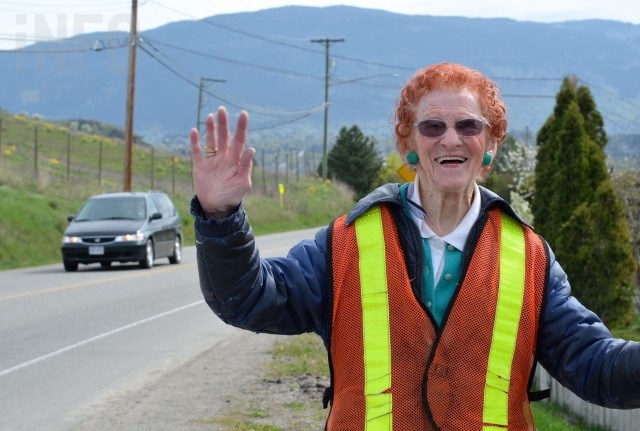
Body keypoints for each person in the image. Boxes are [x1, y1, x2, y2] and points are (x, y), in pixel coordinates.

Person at [189, 62, 640, 430]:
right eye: (431, 126)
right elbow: (249, 299)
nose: (450, 138)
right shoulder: (345, 244)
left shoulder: (532, 258)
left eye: (468, 125)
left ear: (491, 144)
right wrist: (220, 217)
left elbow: (593, 365)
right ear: (407, 142)